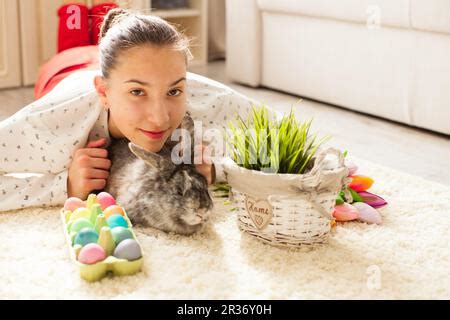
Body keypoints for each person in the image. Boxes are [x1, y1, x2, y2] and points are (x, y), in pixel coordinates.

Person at [0, 1, 279, 212]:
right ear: (104, 92)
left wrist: (218, 169)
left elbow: (288, 144)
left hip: (118, 65)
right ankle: (80, 16)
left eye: (174, 91)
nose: (159, 118)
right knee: (71, 44)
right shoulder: (54, 125)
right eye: (137, 92)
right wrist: (63, 186)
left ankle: (107, 15)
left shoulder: (201, 99)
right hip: (66, 69)